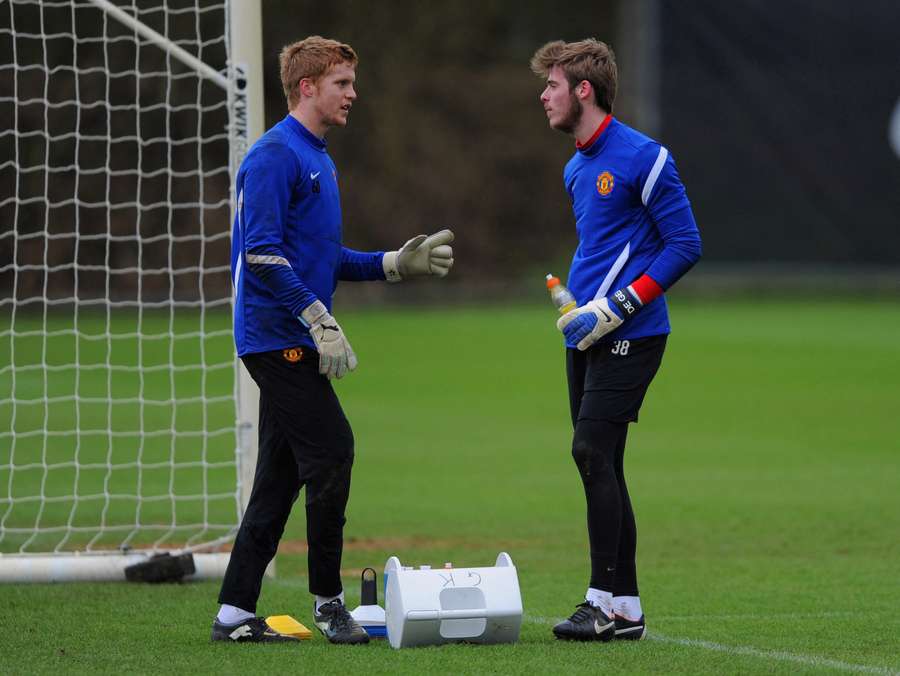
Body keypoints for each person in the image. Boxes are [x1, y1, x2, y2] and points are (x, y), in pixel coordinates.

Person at [212, 36, 455, 645]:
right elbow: (263, 253)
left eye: (352, 82)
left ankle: (234, 615)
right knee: (334, 452)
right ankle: (329, 603)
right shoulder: (274, 156)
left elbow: (322, 255)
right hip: (276, 338)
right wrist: (317, 318)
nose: (353, 93)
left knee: (280, 474)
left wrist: (395, 265)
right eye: (342, 83)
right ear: (307, 88)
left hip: (290, 333)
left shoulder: (317, 156)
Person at [530, 39, 702, 642]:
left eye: (552, 84)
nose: (543, 96)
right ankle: (625, 609)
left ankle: (599, 601)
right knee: (604, 462)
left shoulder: (645, 157)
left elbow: (686, 244)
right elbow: (605, 249)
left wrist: (621, 305)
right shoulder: (575, 166)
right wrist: (581, 309)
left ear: (583, 89)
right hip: (585, 337)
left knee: (589, 452)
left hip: (637, 334)